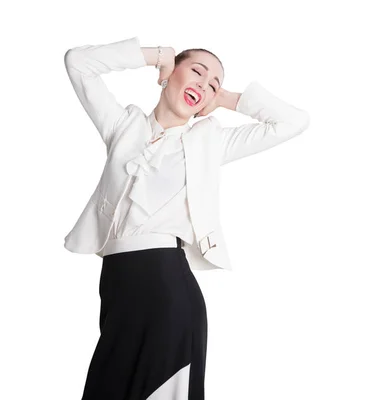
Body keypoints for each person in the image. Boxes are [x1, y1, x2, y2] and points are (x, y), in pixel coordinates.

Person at [63, 36, 310, 400]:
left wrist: (224, 99)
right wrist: (155, 55)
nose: (204, 84)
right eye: (197, 71)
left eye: (213, 83)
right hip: (118, 291)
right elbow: (77, 62)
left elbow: (293, 121)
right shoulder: (123, 127)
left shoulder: (209, 143)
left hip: (168, 292)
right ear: (170, 73)